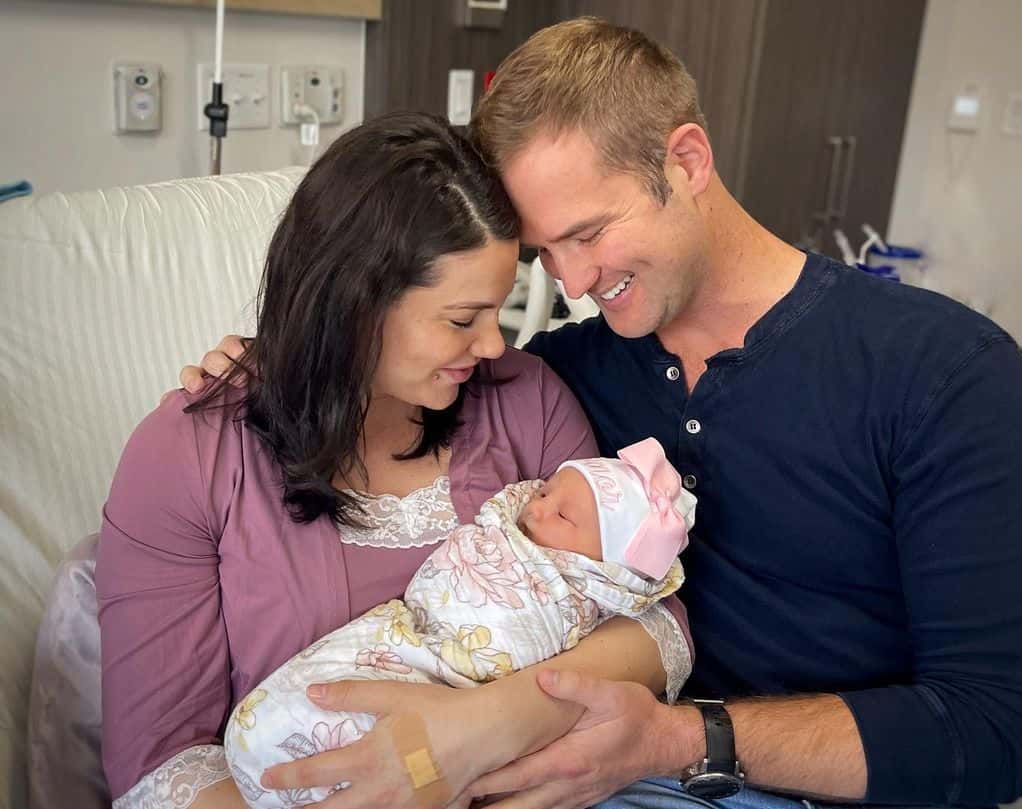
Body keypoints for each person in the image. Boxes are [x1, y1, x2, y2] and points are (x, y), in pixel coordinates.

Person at [184, 17, 1022, 809]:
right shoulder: (559, 377)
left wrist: (681, 738)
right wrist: (275, 361)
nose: (571, 281)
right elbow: (395, 362)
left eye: (588, 233)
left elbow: (999, 728)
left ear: (687, 161)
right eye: (544, 254)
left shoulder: (943, 374)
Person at [98, 111, 694, 809]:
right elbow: (160, 764)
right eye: (462, 319)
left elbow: (652, 623)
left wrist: (488, 724)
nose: (494, 345)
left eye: (498, 310)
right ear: (353, 305)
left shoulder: (526, 400)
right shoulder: (187, 456)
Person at [224, 438, 696, 809]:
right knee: (297, 712)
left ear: (605, 565)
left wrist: (491, 719)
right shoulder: (504, 526)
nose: (535, 508)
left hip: (462, 687)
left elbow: (656, 627)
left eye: (562, 515)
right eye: (544, 491)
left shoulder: (590, 591)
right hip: (406, 637)